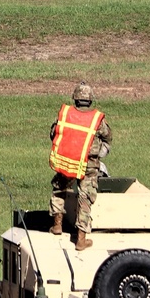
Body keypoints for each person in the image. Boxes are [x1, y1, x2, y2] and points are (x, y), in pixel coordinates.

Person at [48, 82, 112, 250]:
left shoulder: (65, 113)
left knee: (59, 188)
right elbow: (107, 137)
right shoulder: (97, 119)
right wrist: (101, 152)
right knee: (85, 198)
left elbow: (54, 133)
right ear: (90, 100)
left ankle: (57, 225)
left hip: (67, 160)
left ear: (75, 99)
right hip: (88, 164)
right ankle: (81, 239)